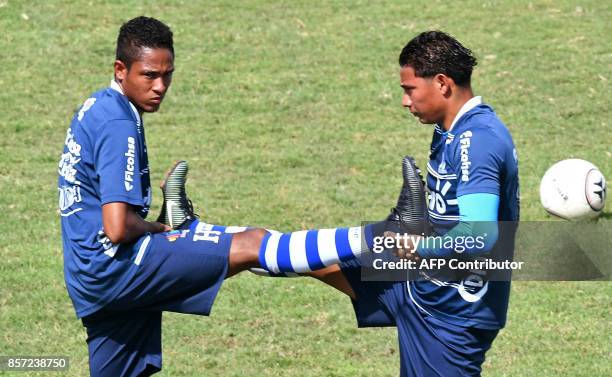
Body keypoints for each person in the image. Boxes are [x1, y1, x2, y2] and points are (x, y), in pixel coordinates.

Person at [58, 16, 427, 376]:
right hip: (117, 268)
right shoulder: (118, 122)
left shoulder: (98, 106)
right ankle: (384, 233)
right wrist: (157, 228)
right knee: (255, 243)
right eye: (150, 75)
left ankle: (386, 296)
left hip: (89, 276)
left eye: (167, 74)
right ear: (120, 69)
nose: (160, 86)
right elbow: (118, 227)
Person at [215, 31, 520, 376]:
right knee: (294, 256)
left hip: (451, 315)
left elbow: (480, 235)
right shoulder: (450, 130)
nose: (405, 102)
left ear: (442, 83)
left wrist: (423, 246)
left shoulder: (476, 142)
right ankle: (196, 233)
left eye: (409, 90)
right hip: (416, 284)